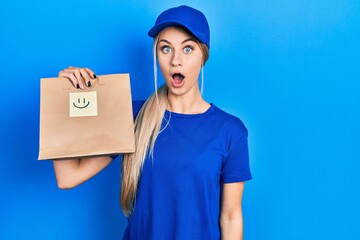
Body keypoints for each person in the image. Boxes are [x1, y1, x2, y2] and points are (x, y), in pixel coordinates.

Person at [53, 5, 252, 240]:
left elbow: (230, 217)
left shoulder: (230, 131)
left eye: (187, 49)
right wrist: (63, 97)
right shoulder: (132, 115)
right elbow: (68, 177)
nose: (175, 61)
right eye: (165, 48)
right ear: (156, 56)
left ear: (203, 57)